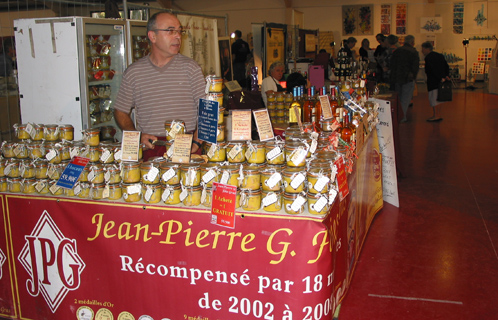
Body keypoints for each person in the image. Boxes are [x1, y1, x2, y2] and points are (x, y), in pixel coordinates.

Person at [113, 11, 205, 160]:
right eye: (170, 31)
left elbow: (207, 110)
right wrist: (137, 136)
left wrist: (196, 141)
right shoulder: (134, 72)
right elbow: (120, 111)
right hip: (152, 147)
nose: (177, 36)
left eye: (179, 31)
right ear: (152, 36)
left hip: (186, 146)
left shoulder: (191, 69)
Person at [389, 35, 419, 123]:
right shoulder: (413, 52)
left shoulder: (397, 51)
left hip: (397, 78)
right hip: (407, 79)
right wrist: (414, 77)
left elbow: (392, 64)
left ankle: (397, 116)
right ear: (412, 42)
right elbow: (415, 67)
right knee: (405, 99)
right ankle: (402, 116)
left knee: (398, 97)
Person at [421, 41, 450, 122]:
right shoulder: (439, 55)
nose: (422, 51)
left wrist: (438, 77)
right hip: (441, 80)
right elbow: (446, 66)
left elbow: (430, 70)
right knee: (440, 99)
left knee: (434, 99)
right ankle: (438, 114)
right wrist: (445, 76)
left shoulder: (428, 58)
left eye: (423, 49)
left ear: (427, 49)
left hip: (433, 81)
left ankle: (436, 115)